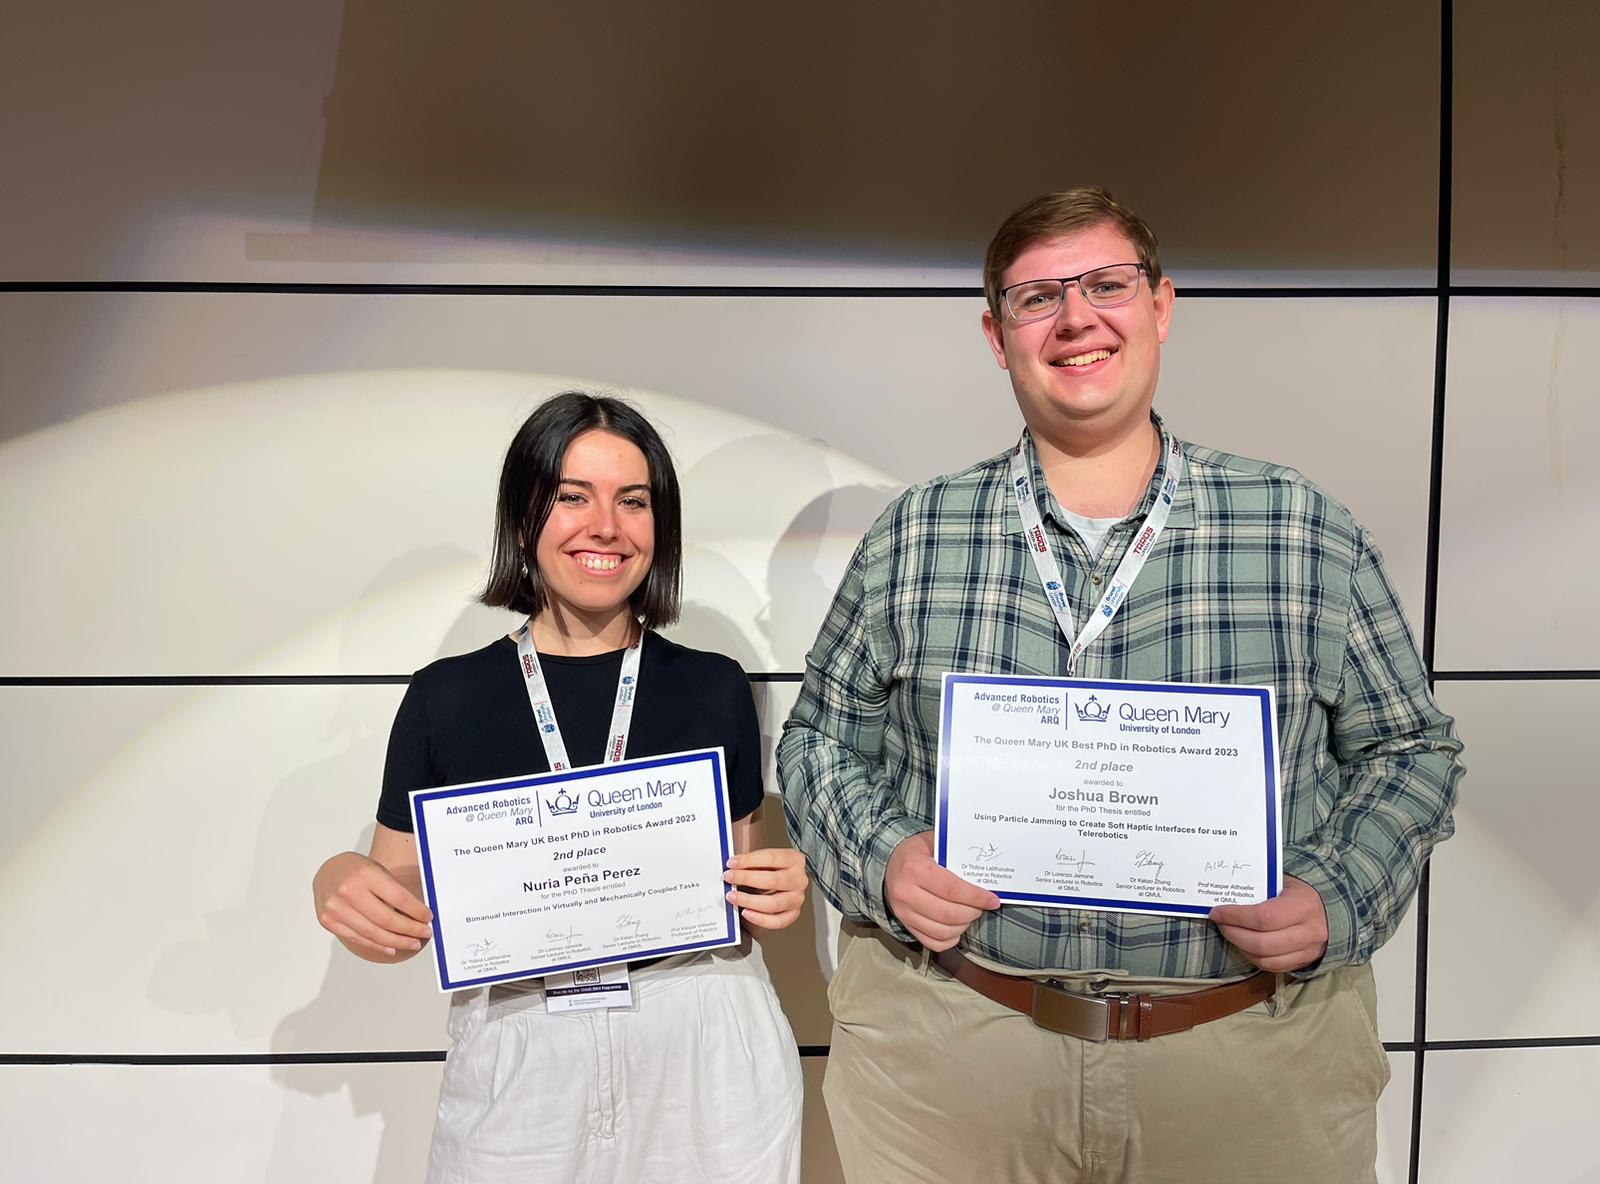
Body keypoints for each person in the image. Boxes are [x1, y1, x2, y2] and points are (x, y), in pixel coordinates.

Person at [778, 188, 1463, 1184]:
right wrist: (883, 861)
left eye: (1107, 285)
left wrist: (1338, 895)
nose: (1076, 319)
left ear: (1162, 305)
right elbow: (817, 742)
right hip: (956, 1050)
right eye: (1037, 297)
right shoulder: (915, 532)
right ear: (995, 332)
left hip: (1243, 1062)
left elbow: (1411, 750)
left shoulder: (1299, 528)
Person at [314, 392, 806, 1184]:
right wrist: (341, 882)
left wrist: (776, 888)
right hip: (524, 1039)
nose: (605, 525)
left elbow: (742, 896)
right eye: (572, 496)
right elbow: (395, 898)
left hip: (702, 1044)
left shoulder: (714, 687)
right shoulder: (446, 696)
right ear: (523, 518)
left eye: (633, 501)